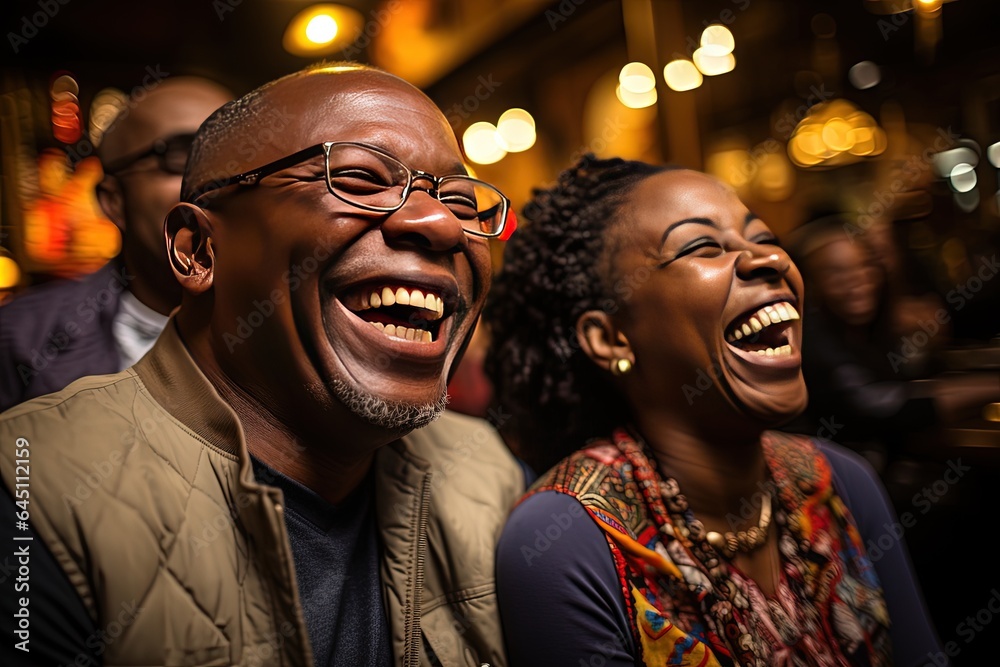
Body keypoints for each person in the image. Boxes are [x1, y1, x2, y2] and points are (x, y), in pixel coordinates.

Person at [0, 63, 524, 667]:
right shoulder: (35, 491)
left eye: (459, 199)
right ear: (198, 250)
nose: (437, 223)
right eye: (357, 176)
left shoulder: (487, 474)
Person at [485, 154, 947, 666]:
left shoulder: (840, 480)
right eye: (702, 246)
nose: (769, 260)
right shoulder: (563, 542)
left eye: (765, 239)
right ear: (611, 337)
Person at [0, 75, 233, 412]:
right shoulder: (21, 339)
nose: (219, 182)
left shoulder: (300, 322)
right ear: (113, 201)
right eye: (184, 157)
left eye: (239, 158)